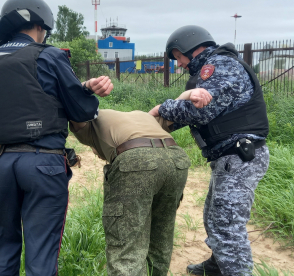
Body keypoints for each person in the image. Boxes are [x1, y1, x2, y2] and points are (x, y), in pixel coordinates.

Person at [0, 0, 113, 276]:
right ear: (41, 24)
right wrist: (85, 90)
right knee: (41, 259)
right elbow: (81, 111)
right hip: (42, 164)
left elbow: (18, 99)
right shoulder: (48, 54)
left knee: (0, 251)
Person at [148, 25, 270, 276]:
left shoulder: (221, 66)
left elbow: (201, 110)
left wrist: (162, 108)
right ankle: (217, 266)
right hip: (229, 157)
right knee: (214, 217)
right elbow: (188, 113)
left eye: (178, 57)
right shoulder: (209, 73)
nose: (179, 64)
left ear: (192, 49)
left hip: (240, 156)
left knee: (227, 226)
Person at [70, 88, 212, 276]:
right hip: (176, 159)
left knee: (126, 245)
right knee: (161, 235)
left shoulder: (89, 127)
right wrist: (191, 93)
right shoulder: (145, 118)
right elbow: (166, 108)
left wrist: (87, 86)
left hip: (136, 159)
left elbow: (72, 104)